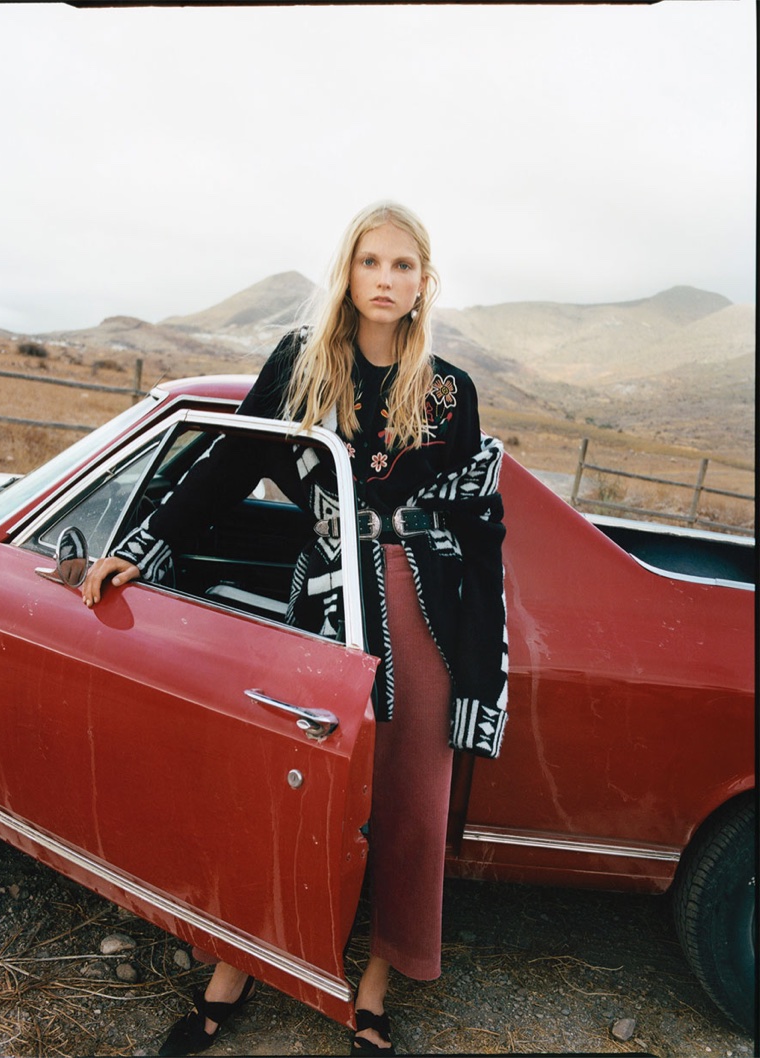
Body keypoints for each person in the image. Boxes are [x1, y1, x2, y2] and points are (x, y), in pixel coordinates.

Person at [82, 201, 508, 1056]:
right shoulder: (304, 365)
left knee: (410, 807)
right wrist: (147, 544)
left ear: (425, 283)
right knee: (298, 791)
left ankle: (376, 985)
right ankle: (239, 967)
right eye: (371, 262)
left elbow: (480, 528)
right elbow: (231, 461)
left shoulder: (451, 390)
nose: (386, 280)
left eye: (403, 266)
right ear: (347, 272)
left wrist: (476, 666)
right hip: (327, 606)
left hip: (426, 612)